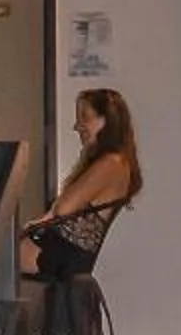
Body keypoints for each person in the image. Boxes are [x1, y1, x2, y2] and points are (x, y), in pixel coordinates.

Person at [23, 86, 140, 280]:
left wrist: (42, 219)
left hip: (63, 253)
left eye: (85, 118)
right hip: (64, 250)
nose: (78, 126)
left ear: (107, 120)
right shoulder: (116, 163)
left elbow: (64, 208)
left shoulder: (112, 163)